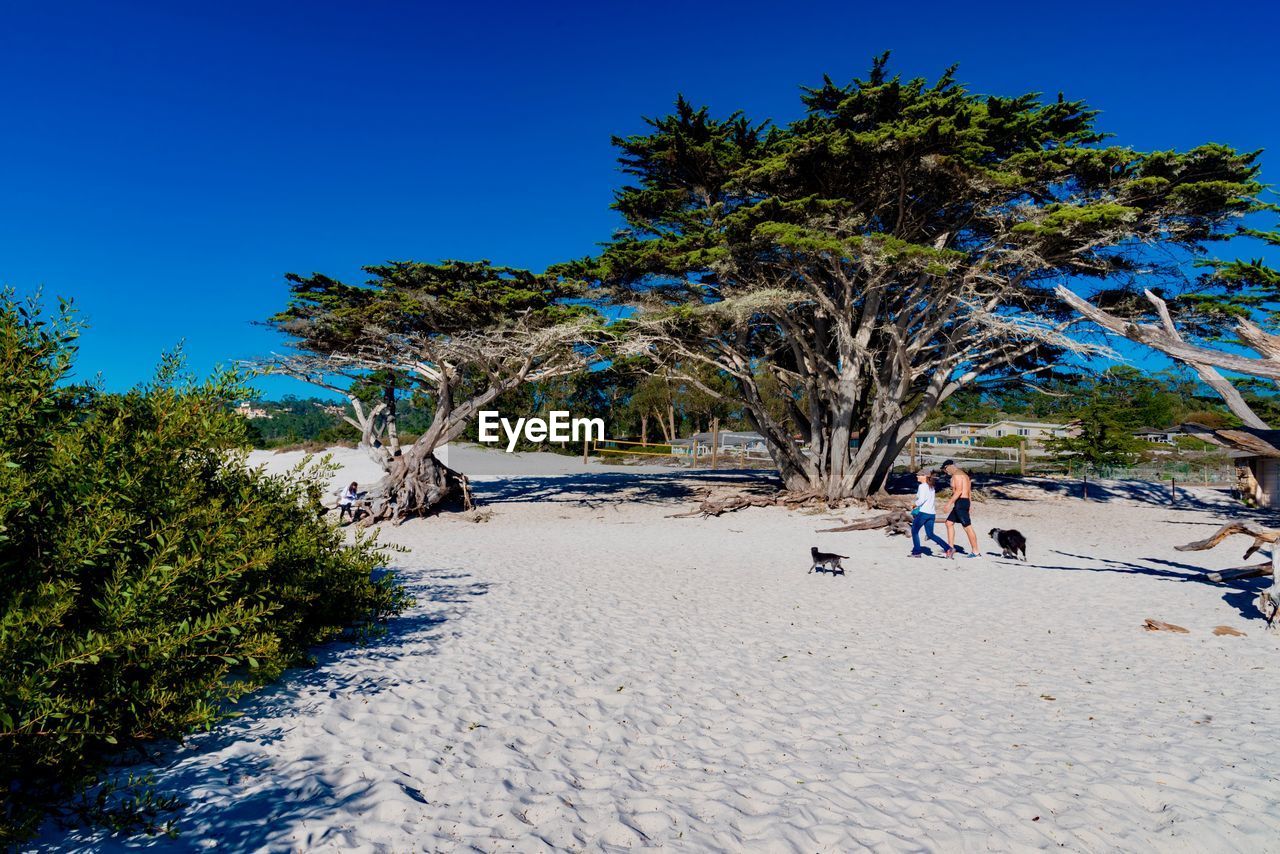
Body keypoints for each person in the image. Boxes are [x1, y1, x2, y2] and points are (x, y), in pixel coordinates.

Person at [941, 460, 981, 559]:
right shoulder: (964, 475)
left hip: (961, 503)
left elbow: (959, 491)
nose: (945, 472)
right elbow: (969, 492)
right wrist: (969, 505)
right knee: (949, 523)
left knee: (967, 527)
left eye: (945, 469)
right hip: (964, 502)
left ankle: (976, 552)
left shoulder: (957, 475)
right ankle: (950, 548)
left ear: (949, 466)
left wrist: (948, 504)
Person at [909, 469, 951, 558]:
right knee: (930, 534)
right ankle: (948, 548)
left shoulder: (922, 486)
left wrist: (914, 504)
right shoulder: (931, 487)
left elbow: (921, 500)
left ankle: (916, 552)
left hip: (923, 513)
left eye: (919, 475)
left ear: (925, 476)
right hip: (931, 514)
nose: (917, 476)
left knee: (914, 531)